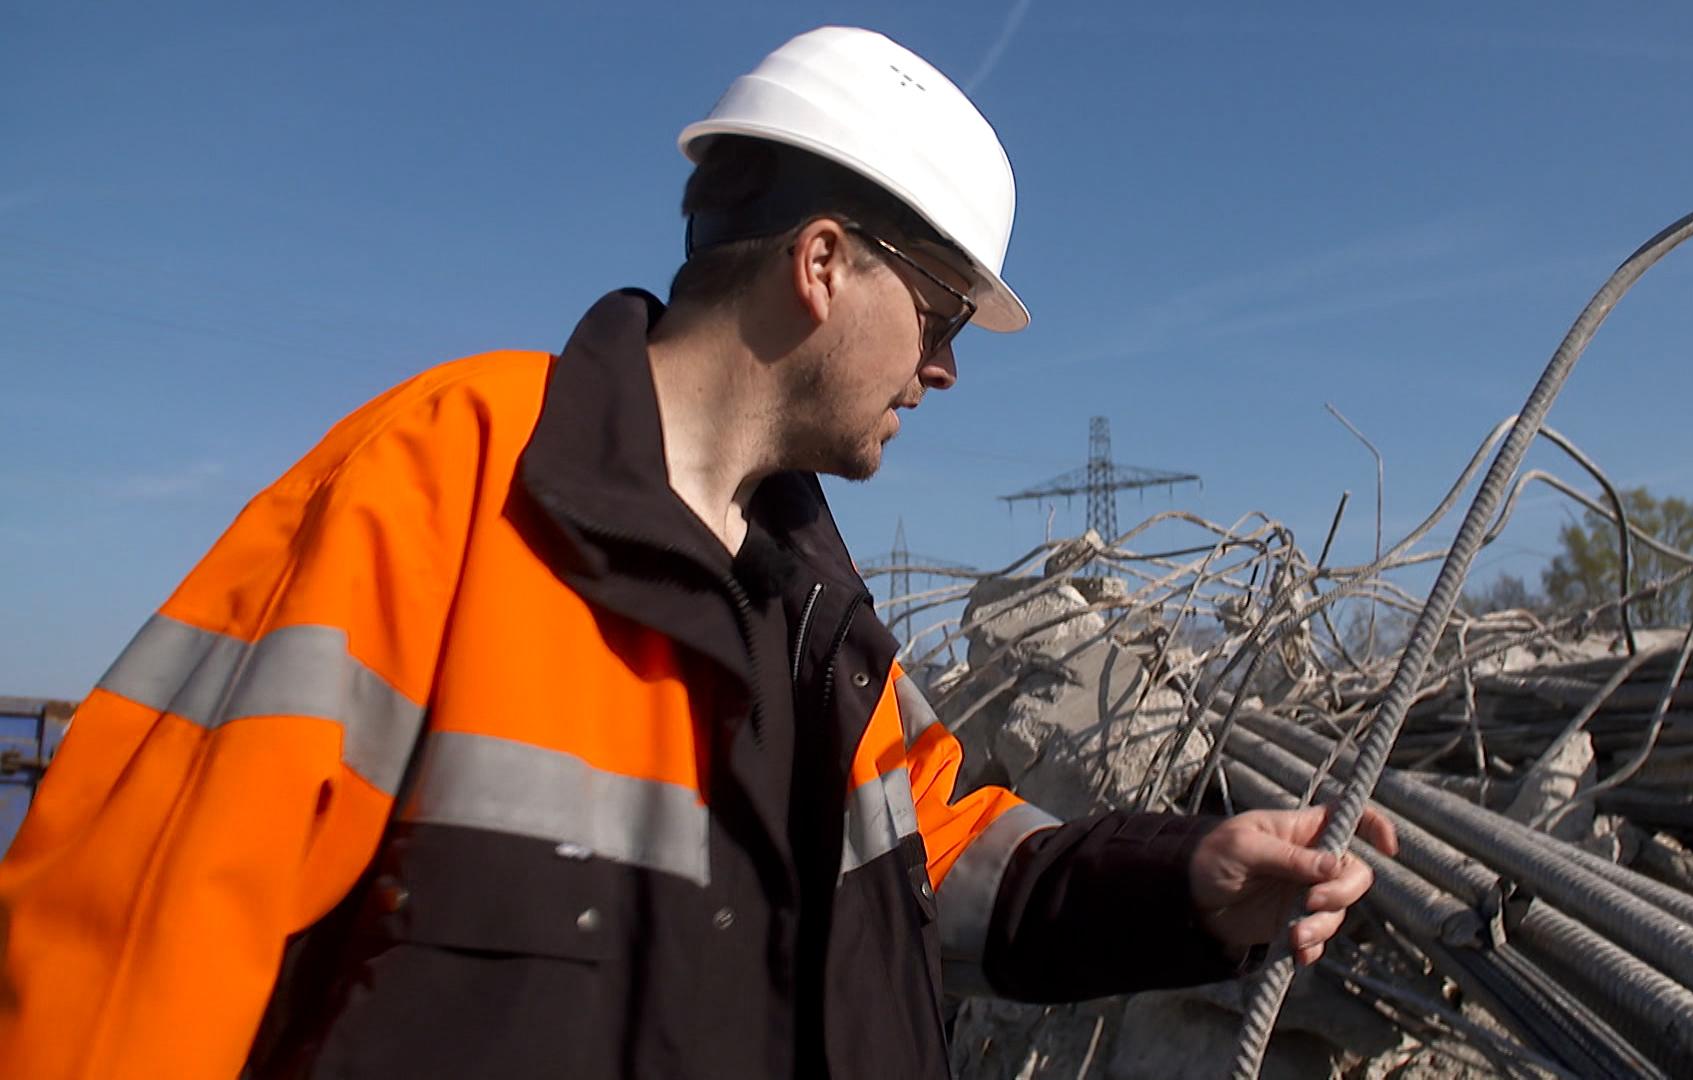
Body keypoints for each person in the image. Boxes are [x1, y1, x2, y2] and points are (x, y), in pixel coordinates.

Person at [0, 26, 1394, 1080]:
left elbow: (946, 861)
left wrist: (1191, 881)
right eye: (944, 314)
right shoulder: (441, 484)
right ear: (825, 264)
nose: (952, 368)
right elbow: (120, 955)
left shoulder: (819, 623)